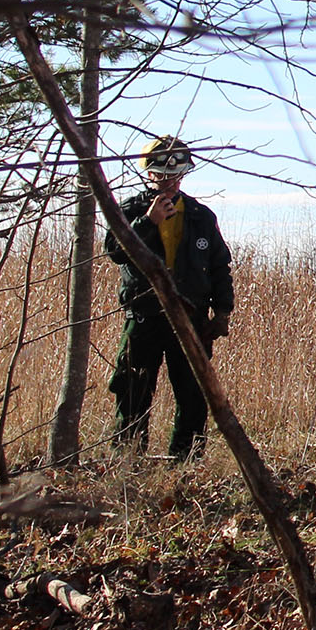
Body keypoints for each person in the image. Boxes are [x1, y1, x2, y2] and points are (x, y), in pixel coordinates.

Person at [106, 136, 235, 459]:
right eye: (162, 174)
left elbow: (220, 266)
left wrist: (222, 312)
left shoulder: (200, 216)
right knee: (132, 390)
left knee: (192, 393)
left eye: (176, 175)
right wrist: (149, 222)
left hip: (190, 318)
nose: (169, 181)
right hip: (144, 316)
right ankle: (128, 461)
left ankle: (186, 465)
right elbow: (115, 251)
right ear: (149, 174)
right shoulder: (131, 210)